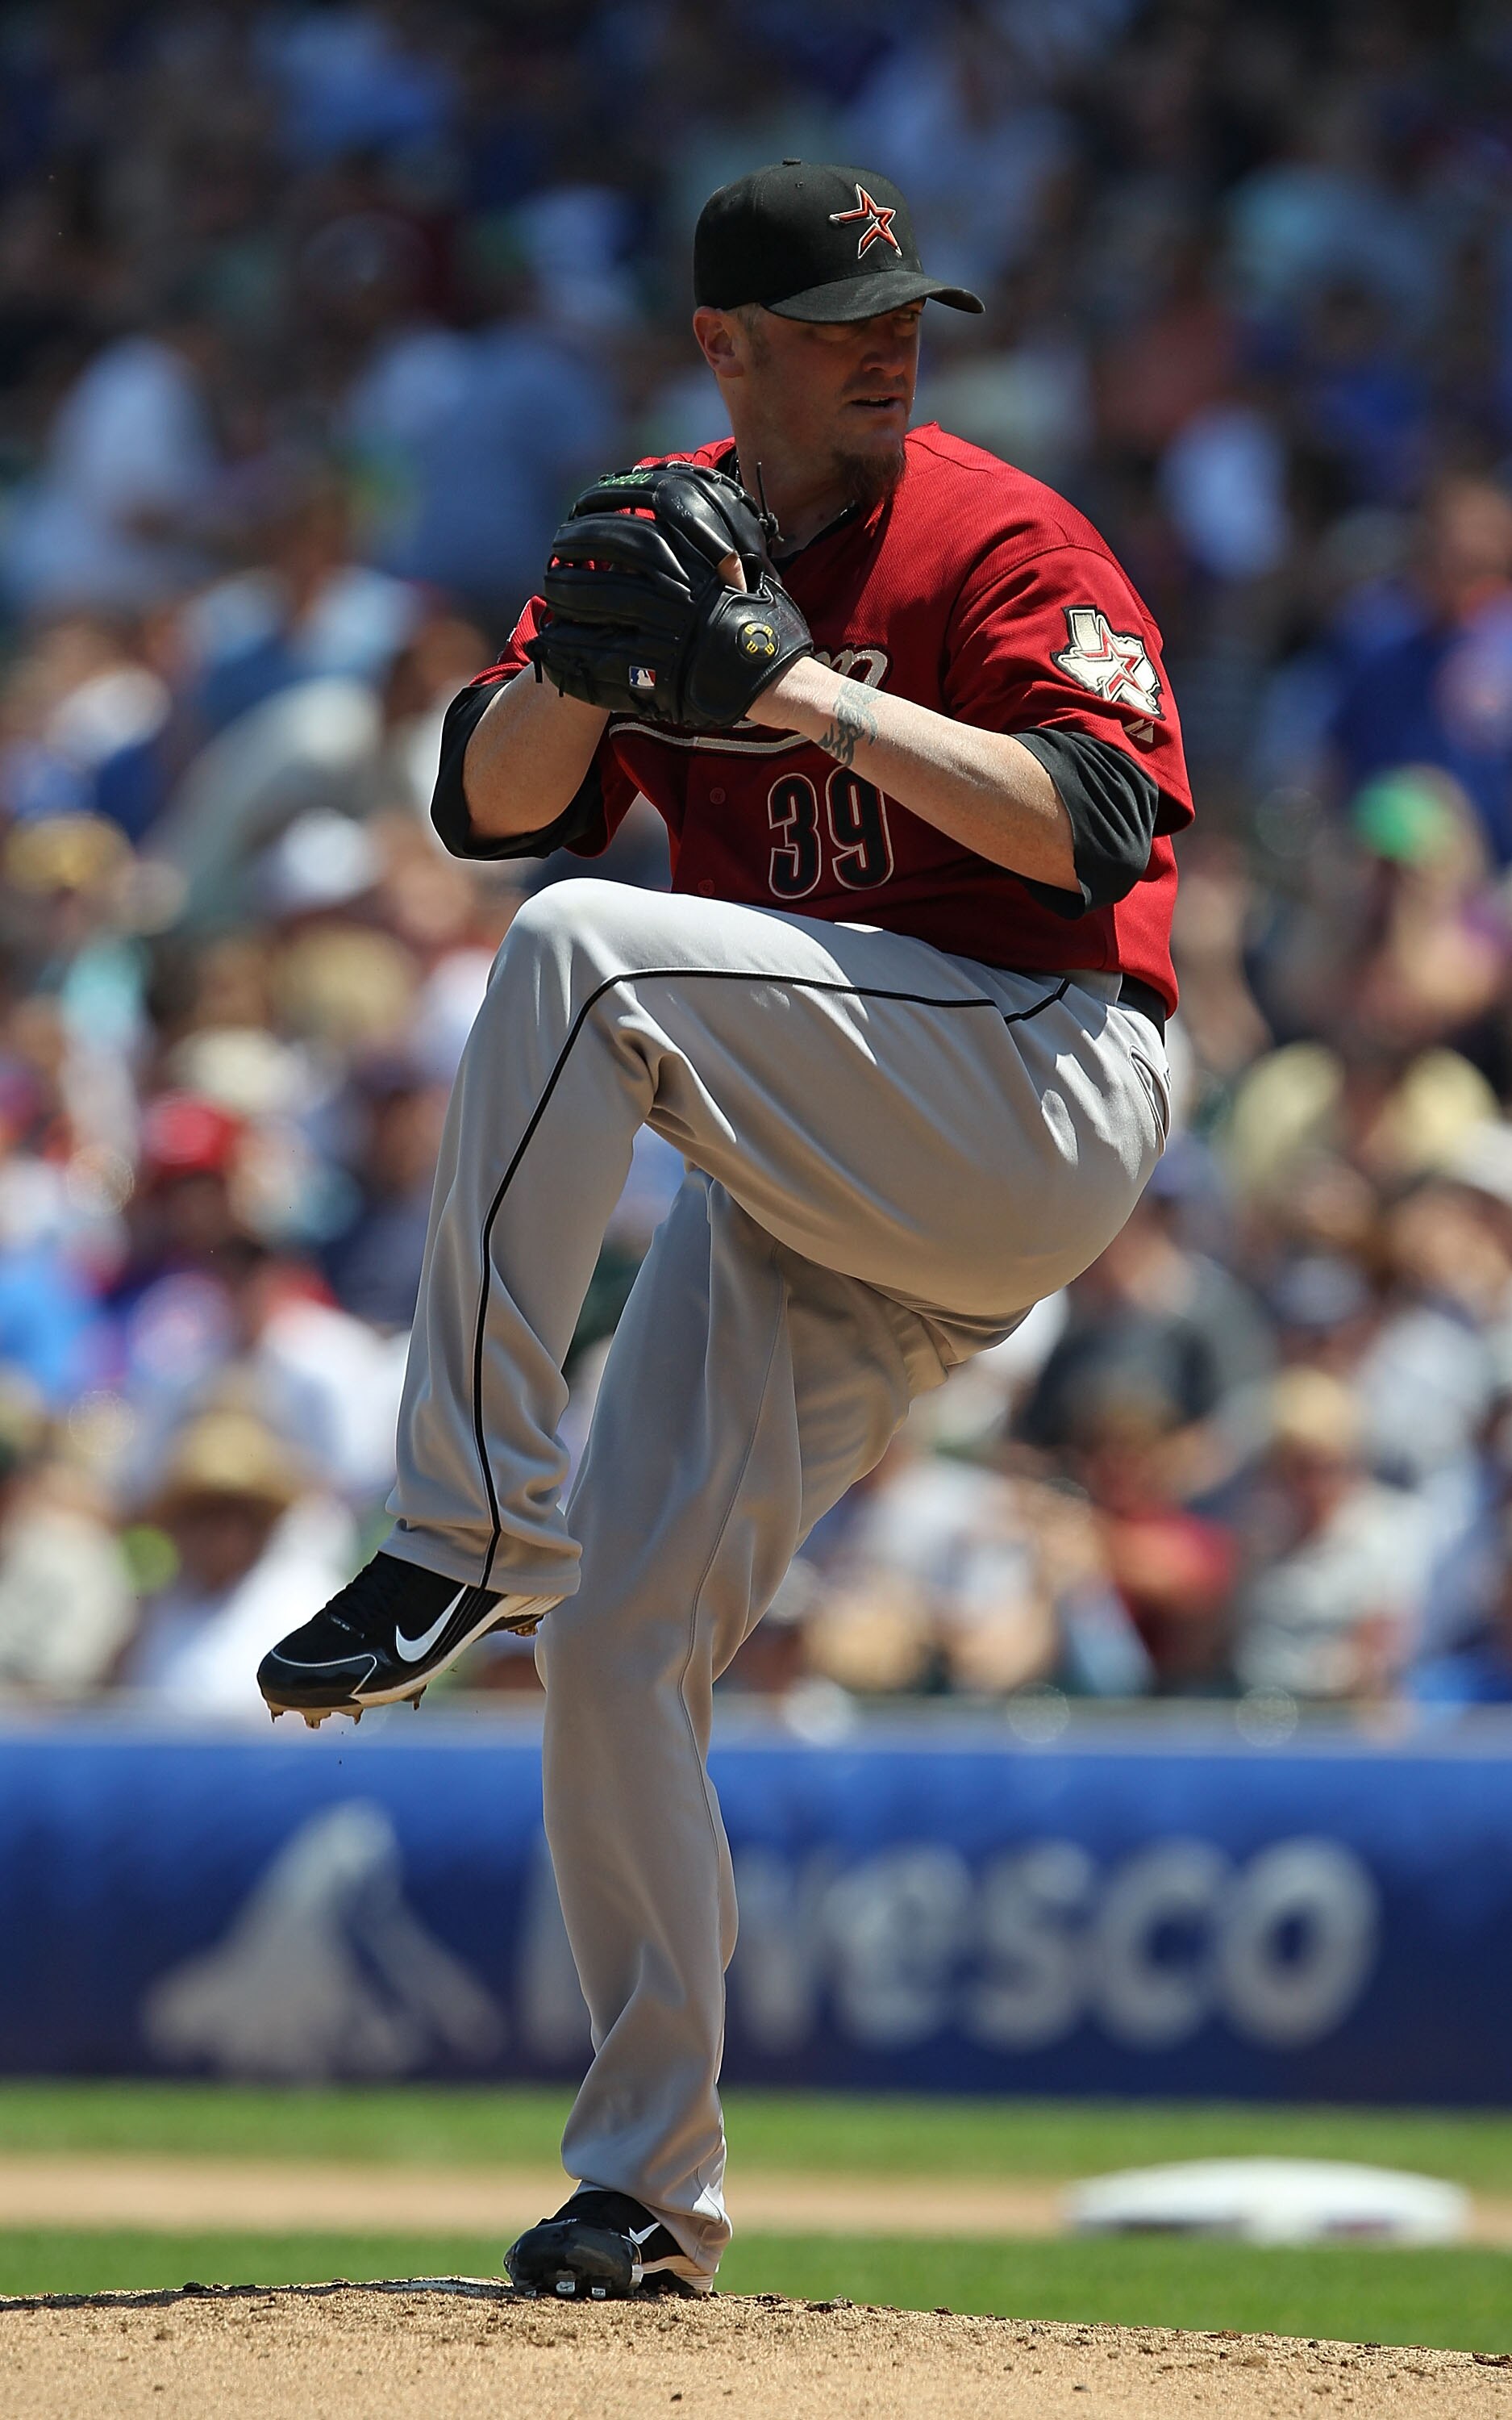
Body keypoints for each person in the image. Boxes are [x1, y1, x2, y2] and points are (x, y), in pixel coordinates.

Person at [257, 161, 1189, 2296]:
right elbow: (489, 804)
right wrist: (591, 668)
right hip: (827, 1163)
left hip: (1036, 1076)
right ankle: (647, 2189)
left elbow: (1093, 823)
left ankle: (468, 1520)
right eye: (844, 310)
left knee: (593, 954)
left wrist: (792, 691)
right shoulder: (659, 515)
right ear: (725, 344)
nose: (889, 339)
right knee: (614, 1654)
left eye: (906, 309)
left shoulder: (998, 532)